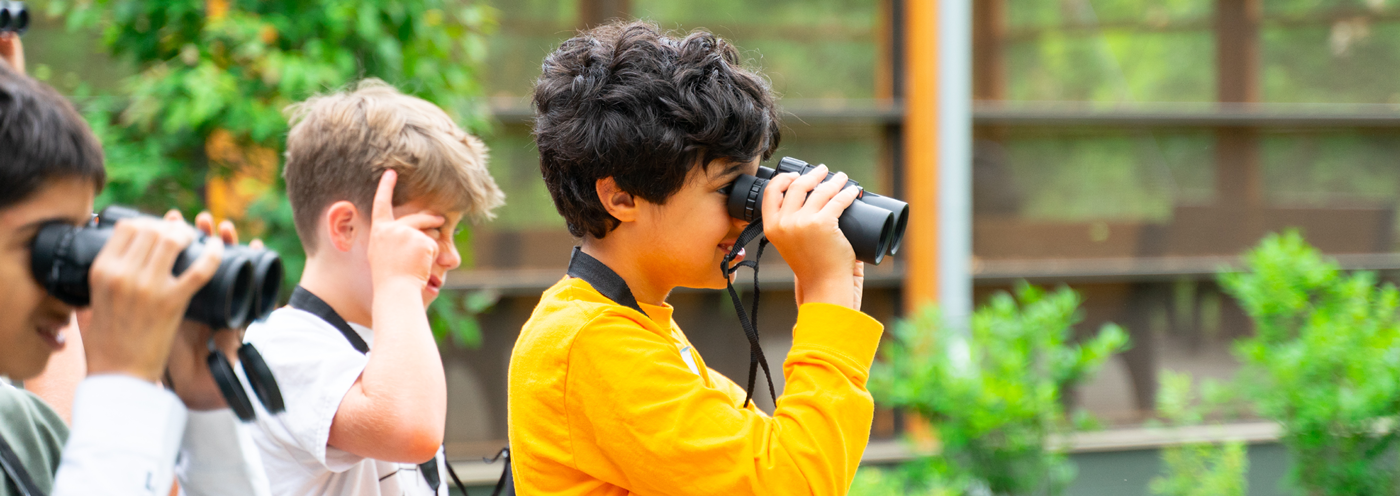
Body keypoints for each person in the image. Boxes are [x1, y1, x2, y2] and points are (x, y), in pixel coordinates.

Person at [508, 20, 884, 495]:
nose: (748, 215)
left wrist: (828, 290)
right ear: (621, 197)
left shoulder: (631, 323)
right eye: (729, 189)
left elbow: (778, 453)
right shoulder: (588, 343)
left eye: (754, 183)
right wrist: (826, 303)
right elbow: (792, 480)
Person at [0, 34, 271, 496]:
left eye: (83, 237)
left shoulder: (21, 430)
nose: (66, 291)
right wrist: (121, 389)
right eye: (45, 246)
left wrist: (205, 408)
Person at [241, 80, 504, 496]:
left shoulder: (387, 347)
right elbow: (412, 430)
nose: (451, 255)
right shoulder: (284, 347)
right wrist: (399, 281)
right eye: (434, 229)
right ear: (346, 227)